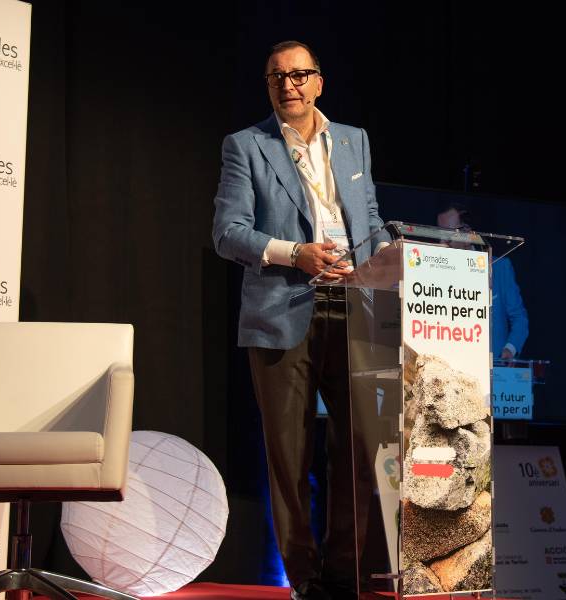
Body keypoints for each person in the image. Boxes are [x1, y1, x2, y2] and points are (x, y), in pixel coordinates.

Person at [212, 40, 387, 600]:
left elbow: (369, 217)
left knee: (358, 451)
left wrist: (385, 256)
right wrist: (295, 253)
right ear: (268, 86)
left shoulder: (354, 140)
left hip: (353, 308)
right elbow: (228, 233)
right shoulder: (246, 145)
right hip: (282, 310)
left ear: (318, 82)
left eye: (298, 75)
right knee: (289, 458)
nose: (288, 85)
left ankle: (344, 575)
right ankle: (305, 581)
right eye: (277, 77)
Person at [436, 205, 529, 359]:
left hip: (493, 363)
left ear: (468, 234)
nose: (442, 241)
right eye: (438, 234)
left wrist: (509, 349)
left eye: (448, 235)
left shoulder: (499, 267)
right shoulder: (436, 272)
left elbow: (519, 318)